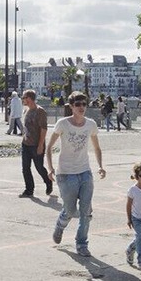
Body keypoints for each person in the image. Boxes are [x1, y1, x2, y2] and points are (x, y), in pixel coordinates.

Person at [46, 91, 106, 257]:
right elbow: (49, 147)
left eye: (84, 104)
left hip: (85, 172)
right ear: (71, 106)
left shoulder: (91, 124)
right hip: (65, 174)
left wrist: (100, 166)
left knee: (86, 212)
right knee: (70, 211)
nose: (81, 107)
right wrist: (50, 169)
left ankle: (81, 244)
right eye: (78, 104)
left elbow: (97, 148)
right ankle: (60, 225)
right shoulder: (63, 124)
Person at [18, 90, 52, 198]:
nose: (22, 99)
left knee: (39, 167)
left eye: (24, 97)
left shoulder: (40, 111)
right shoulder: (27, 110)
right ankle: (29, 190)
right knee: (25, 168)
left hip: (36, 144)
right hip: (26, 144)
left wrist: (40, 145)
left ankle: (48, 181)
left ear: (29, 98)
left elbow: (43, 129)